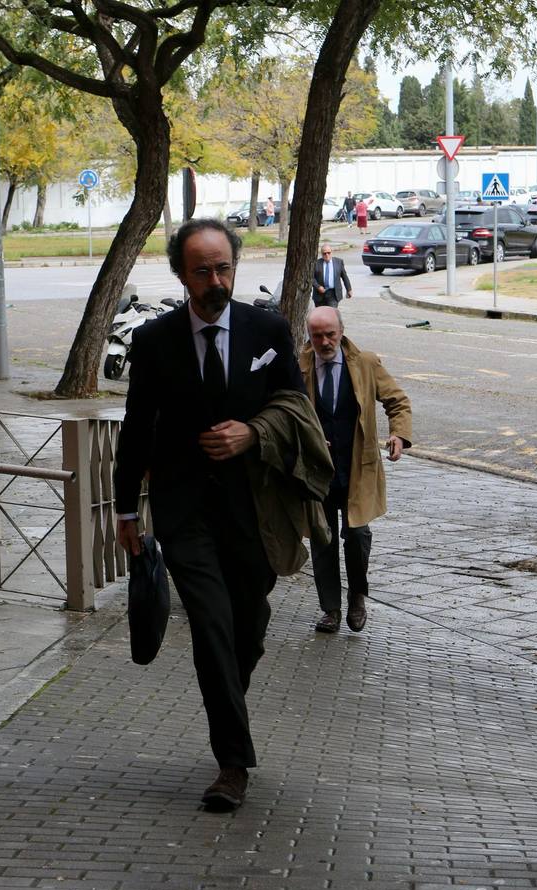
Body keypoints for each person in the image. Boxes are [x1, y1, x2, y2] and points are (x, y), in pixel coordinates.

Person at [114, 218, 306, 812]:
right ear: (182, 274)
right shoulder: (154, 341)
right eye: (203, 271)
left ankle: (229, 701)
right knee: (210, 626)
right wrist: (125, 511)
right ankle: (232, 765)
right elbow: (136, 430)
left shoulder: (268, 331)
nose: (217, 281)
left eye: (224, 268)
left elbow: (298, 411)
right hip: (184, 510)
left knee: (245, 628)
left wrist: (253, 433)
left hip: (256, 513)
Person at [300, 306, 412, 634]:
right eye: (317, 335)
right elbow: (285, 410)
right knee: (323, 540)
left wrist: (399, 434)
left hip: (357, 469)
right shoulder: (300, 367)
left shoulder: (365, 363)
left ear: (341, 332)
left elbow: (397, 401)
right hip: (318, 471)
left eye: (330, 334)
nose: (324, 342)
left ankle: (358, 597)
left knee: (358, 538)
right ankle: (331, 610)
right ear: (310, 336)